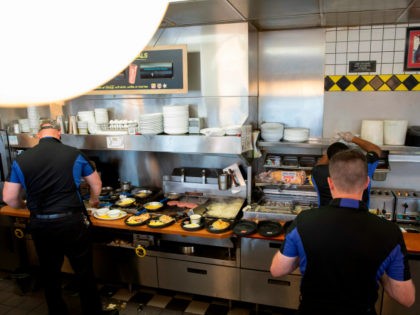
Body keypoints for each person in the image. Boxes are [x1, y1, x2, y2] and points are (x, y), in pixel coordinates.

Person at [270, 149, 415, 315]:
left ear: (330, 183)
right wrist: (380, 270)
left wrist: (304, 256)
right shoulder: (389, 232)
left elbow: (277, 270)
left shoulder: (304, 222)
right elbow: (406, 298)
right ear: (367, 182)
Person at [2, 119, 117, 315]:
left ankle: (57, 312)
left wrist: (24, 206)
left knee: (50, 273)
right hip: (71, 222)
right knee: (83, 271)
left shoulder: (21, 160)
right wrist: (95, 201)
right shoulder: (74, 154)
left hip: (41, 223)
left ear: (38, 135)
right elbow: (96, 184)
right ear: (59, 133)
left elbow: (9, 197)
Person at [311, 131, 382, 207]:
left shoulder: (318, 173)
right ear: (366, 182)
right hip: (360, 216)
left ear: (330, 182)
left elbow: (320, 165)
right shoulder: (363, 167)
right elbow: (376, 150)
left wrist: (330, 148)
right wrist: (353, 138)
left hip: (326, 217)